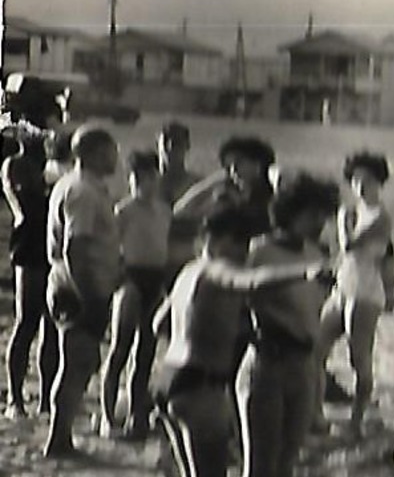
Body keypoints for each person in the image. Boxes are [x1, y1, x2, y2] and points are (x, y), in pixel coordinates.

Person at [146, 204, 331, 477]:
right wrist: (305, 272)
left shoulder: (188, 273)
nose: (242, 251)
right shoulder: (215, 270)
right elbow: (252, 280)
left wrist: (212, 327)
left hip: (171, 378)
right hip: (201, 387)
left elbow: (161, 323)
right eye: (236, 243)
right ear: (211, 240)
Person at [234, 173, 342, 477]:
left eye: (324, 216)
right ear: (292, 212)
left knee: (286, 470)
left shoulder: (318, 253)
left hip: (303, 366)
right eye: (314, 214)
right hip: (266, 363)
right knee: (257, 470)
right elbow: (245, 300)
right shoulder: (259, 251)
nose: (320, 223)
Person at [43, 127, 122, 459]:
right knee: (76, 363)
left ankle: (60, 436)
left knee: (78, 362)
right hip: (78, 289)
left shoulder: (75, 186)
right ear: (91, 153)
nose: (116, 157)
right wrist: (88, 294)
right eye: (110, 150)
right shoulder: (84, 192)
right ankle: (58, 439)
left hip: (70, 284)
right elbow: (76, 245)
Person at [98, 150, 171, 441]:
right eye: (136, 177)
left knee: (146, 353)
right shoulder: (123, 210)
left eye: (148, 176)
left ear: (156, 177)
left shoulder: (164, 210)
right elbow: (110, 249)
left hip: (155, 278)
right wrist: (120, 280)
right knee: (119, 349)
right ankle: (107, 417)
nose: (142, 183)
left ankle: (136, 414)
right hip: (131, 277)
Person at [320, 152, 394, 429]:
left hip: (364, 291)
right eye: (356, 181)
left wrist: (342, 220)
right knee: (317, 348)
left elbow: (349, 245)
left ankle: (357, 419)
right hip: (344, 285)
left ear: (380, 182)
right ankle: (315, 415)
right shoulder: (356, 212)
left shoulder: (380, 217)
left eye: (368, 181)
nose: (361, 187)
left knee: (358, 357)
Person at [3, 129, 60, 421]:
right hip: (30, 246)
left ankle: (46, 399)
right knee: (27, 321)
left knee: (51, 326)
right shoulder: (17, 165)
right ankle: (15, 396)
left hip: (49, 246)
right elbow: (28, 206)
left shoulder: (46, 165)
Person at [172, 135, 277, 239]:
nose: (233, 170)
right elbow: (180, 211)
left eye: (238, 162)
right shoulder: (227, 197)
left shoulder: (274, 197)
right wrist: (213, 182)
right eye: (228, 166)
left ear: (258, 164)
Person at [156, 120, 202, 274]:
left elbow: (198, 226)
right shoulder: (144, 183)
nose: (170, 148)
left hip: (183, 260)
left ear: (187, 146)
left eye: (177, 144)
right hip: (151, 261)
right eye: (166, 142)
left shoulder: (197, 185)